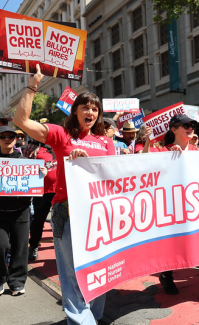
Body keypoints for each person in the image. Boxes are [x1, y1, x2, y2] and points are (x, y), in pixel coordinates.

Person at [13, 64, 115, 324]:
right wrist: (33, 84)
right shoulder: (61, 134)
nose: (90, 111)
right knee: (71, 272)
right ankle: (81, 320)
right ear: (76, 111)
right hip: (67, 210)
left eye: (94, 108)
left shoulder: (105, 141)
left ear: (98, 114)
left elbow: (118, 173)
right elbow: (21, 121)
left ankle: (94, 315)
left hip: (100, 212)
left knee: (99, 267)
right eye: (85, 107)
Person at [157, 114, 199, 307]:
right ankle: (166, 275)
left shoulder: (198, 151)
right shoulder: (164, 151)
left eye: (192, 124)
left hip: (198, 208)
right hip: (174, 209)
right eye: (185, 124)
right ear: (174, 129)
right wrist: (170, 159)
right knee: (173, 246)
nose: (190, 127)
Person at [0, 126, 31, 296]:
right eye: (3, 136)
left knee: (20, 248)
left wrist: (39, 174)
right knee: (1, 246)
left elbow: (34, 184)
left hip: (21, 211)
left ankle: (17, 281)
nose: (7, 138)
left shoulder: (25, 161)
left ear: (16, 138)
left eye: (11, 136)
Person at [28, 143, 57, 261]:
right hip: (43, 191)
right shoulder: (37, 150)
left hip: (61, 191)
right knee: (38, 220)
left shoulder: (64, 147)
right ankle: (34, 245)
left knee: (63, 221)